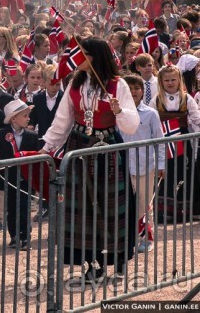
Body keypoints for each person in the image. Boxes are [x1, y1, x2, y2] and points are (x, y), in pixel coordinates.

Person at [40, 37, 139, 282]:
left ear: (97, 57)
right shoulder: (75, 83)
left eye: (83, 53)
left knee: (111, 205)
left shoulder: (118, 85)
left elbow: (131, 126)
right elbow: (63, 119)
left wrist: (120, 111)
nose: (77, 57)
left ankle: (117, 261)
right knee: (81, 208)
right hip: (79, 146)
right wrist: (47, 147)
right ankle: (91, 262)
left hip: (108, 148)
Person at [0, 100, 44, 250]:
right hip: (9, 176)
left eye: (28, 116)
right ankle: (14, 236)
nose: (28, 118)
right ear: (14, 118)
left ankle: (25, 236)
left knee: (25, 207)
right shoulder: (1, 134)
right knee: (11, 207)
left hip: (26, 177)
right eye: (25, 116)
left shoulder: (32, 135)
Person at [150, 64, 200, 219]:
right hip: (164, 141)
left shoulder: (187, 98)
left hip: (183, 141)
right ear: (161, 82)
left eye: (173, 80)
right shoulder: (156, 100)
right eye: (166, 80)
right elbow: (152, 120)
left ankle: (189, 210)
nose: (170, 83)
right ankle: (165, 212)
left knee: (186, 173)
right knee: (166, 174)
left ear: (179, 80)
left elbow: (196, 118)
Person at [123, 74, 165, 252]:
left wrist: (161, 164)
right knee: (125, 203)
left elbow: (159, 139)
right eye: (129, 88)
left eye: (137, 88)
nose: (133, 92)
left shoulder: (151, 114)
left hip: (145, 166)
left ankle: (146, 237)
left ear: (142, 91)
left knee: (144, 203)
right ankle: (127, 237)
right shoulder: (119, 114)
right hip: (123, 166)